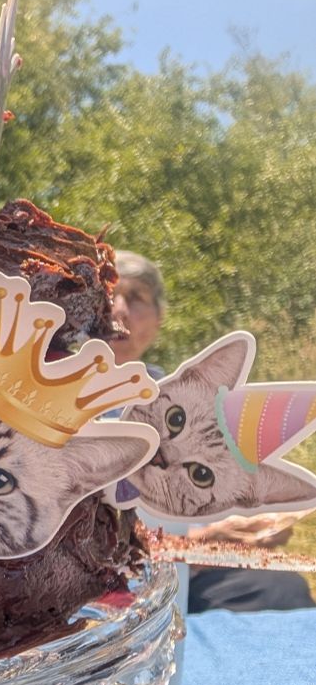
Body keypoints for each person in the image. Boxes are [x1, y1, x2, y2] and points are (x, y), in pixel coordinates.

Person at [112, 249, 314, 613]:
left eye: (136, 297)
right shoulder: (47, 399)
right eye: (109, 293)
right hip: (110, 577)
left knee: (282, 590)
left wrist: (241, 528)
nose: (120, 309)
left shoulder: (186, 395)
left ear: (159, 318)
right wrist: (197, 543)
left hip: (187, 571)